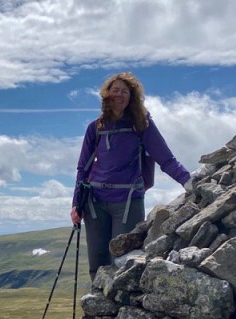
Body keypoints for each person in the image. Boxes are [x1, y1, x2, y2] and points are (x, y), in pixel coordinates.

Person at [71, 72, 191, 278]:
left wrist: (189, 181)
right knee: (97, 263)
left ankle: (121, 309)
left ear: (132, 97)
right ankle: (99, 310)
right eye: (115, 90)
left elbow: (165, 158)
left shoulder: (141, 124)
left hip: (127, 202)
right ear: (106, 94)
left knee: (123, 264)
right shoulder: (96, 128)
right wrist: (76, 203)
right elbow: (83, 168)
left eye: (125, 91)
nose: (119, 95)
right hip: (94, 203)